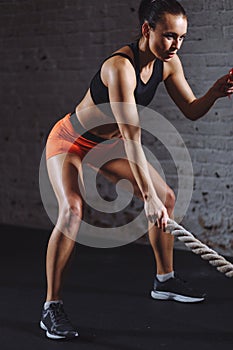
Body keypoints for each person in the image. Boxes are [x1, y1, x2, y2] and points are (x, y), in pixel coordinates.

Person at [39, 0, 233, 340]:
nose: (176, 45)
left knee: (167, 197)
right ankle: (51, 307)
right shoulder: (120, 67)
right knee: (72, 211)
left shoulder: (168, 64)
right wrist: (147, 199)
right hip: (72, 140)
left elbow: (190, 110)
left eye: (182, 38)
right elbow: (132, 134)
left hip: (107, 145)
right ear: (147, 30)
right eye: (169, 36)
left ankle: (165, 280)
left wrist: (214, 93)